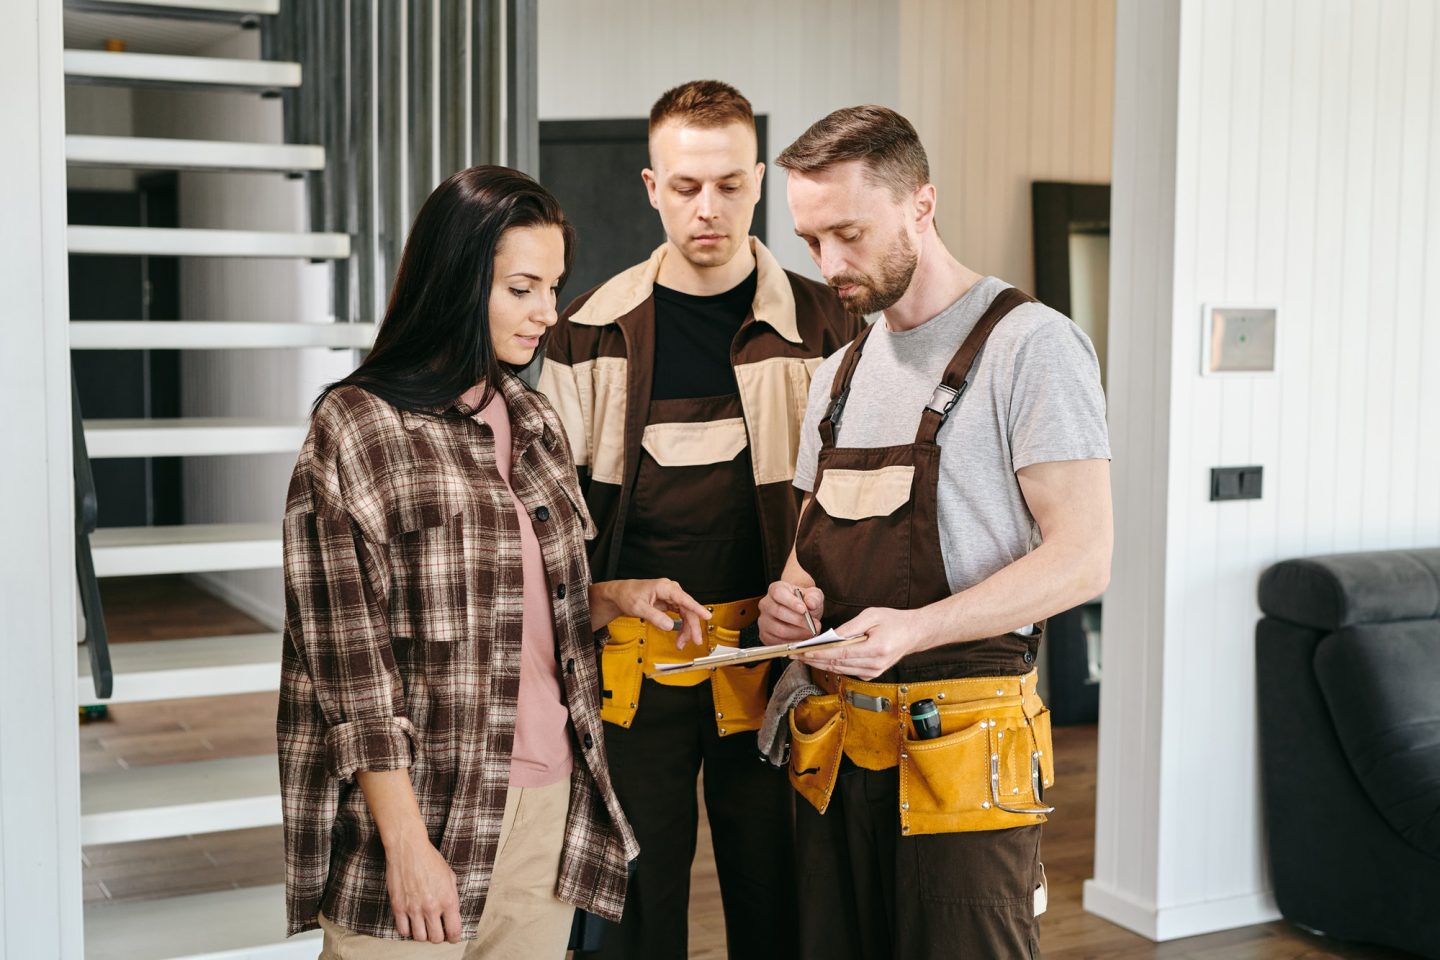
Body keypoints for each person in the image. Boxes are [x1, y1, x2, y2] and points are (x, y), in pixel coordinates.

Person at [277, 165, 712, 958]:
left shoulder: (535, 420)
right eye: (522, 288)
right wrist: (406, 847)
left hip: (546, 804)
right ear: (456, 281)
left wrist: (614, 596)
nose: (549, 311)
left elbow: (514, 608)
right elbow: (351, 674)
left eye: (553, 286)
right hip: (422, 813)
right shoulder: (358, 427)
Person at [758, 106, 1113, 959]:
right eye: (811, 241)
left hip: (965, 753)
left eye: (849, 232)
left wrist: (917, 630)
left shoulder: (1032, 346)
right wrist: (789, 600)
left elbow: (1083, 559)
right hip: (839, 746)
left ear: (921, 204)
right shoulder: (838, 373)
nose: (830, 264)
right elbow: (811, 542)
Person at [539, 80, 859, 959]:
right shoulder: (587, 333)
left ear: (759, 181)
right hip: (636, 668)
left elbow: (851, 495)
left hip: (774, 661)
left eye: (728, 184)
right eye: (685, 188)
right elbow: (558, 524)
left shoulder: (828, 322)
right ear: (650, 186)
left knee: (780, 895)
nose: (707, 208)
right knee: (634, 903)